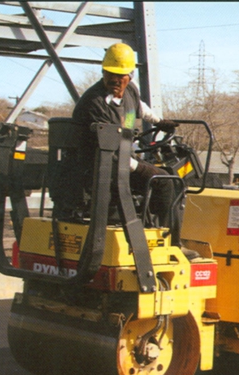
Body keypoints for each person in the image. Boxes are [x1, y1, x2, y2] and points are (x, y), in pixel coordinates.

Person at [71, 42, 183, 246]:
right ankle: (167, 243)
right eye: (109, 73)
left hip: (121, 159)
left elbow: (138, 107)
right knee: (164, 181)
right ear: (103, 72)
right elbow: (108, 150)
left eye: (120, 75)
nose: (114, 79)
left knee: (168, 176)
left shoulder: (130, 91)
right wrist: (138, 165)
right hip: (100, 168)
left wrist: (158, 121)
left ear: (129, 76)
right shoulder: (94, 104)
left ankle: (153, 229)